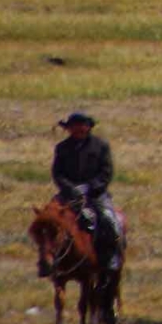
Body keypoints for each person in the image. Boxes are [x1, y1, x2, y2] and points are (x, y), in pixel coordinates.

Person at [50, 111, 122, 274]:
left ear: (89, 127)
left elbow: (106, 172)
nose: (78, 129)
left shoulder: (101, 146)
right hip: (69, 195)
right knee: (49, 221)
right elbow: (57, 173)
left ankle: (111, 256)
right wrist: (71, 189)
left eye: (82, 126)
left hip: (96, 195)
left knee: (108, 220)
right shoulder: (61, 148)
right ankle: (50, 259)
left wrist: (90, 187)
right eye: (74, 126)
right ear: (68, 129)